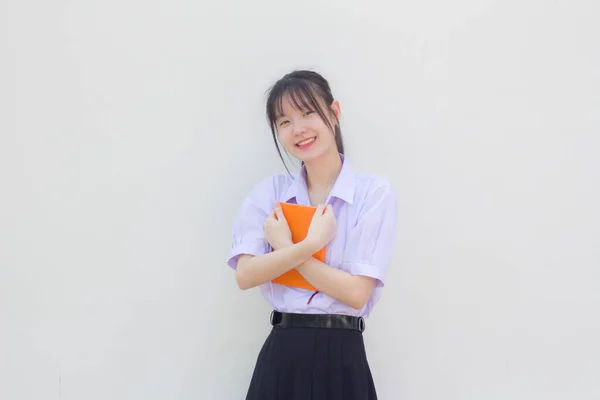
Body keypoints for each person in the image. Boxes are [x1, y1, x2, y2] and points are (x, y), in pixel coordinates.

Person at [227, 70, 398, 400]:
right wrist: (310, 244)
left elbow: (356, 293)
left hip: (342, 358)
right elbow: (246, 275)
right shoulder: (269, 194)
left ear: (334, 113)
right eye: (284, 121)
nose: (298, 129)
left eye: (307, 112)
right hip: (283, 356)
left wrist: (288, 249)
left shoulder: (372, 193)